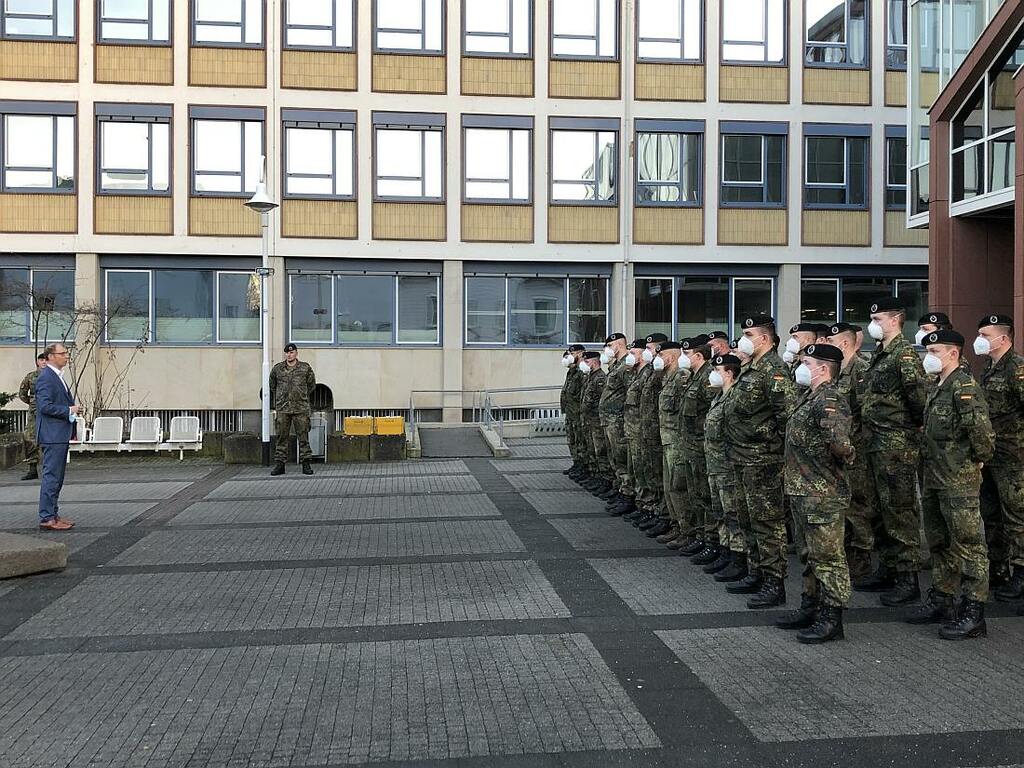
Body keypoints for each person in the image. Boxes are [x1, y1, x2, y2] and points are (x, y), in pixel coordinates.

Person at [907, 330, 994, 640]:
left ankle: (974, 611)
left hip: (958, 481)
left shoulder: (964, 387)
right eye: (928, 350)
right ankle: (943, 598)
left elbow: (982, 435)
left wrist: (978, 461)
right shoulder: (937, 386)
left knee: (969, 546)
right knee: (940, 542)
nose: (929, 356)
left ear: (953, 353)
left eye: (935, 351)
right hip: (934, 478)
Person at [776, 344, 855, 644]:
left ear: (822, 368)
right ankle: (811, 604)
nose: (800, 366)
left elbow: (840, 445)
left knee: (828, 557)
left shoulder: (830, 397)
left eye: (805, 362)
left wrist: (837, 465)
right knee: (809, 555)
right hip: (802, 490)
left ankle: (832, 616)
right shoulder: (809, 397)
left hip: (822, 493)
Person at [724, 314, 798, 609]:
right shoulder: (750, 369)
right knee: (748, 520)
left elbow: (788, 418)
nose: (744, 338)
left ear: (765, 338)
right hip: (742, 458)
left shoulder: (774, 371)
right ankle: (756, 571)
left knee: (768, 524)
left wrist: (776, 453)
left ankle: (774, 582)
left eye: (749, 333)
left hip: (764, 462)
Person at [860, 298, 928, 606]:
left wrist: (905, 432)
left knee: (900, 512)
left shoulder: (904, 356)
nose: (873, 322)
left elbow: (919, 401)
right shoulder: (879, 354)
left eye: (879, 317)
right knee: (880, 510)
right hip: (875, 444)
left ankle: (907, 578)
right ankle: (887, 569)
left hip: (896, 446)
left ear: (895, 320)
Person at [975, 314, 1024, 606]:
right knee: (991, 515)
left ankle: (1021, 572)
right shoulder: (990, 367)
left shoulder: (1016, 369)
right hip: (992, 456)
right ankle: (998, 568)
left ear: (1003, 338)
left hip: (1014, 457)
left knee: (1017, 517)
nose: (980, 338)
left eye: (985, 334)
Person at [826, 322, 875, 587]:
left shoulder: (860, 371)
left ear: (844, 344)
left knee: (858, 507)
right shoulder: (836, 372)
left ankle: (861, 561)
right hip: (838, 453)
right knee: (845, 507)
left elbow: (865, 414)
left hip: (856, 451)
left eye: (831, 342)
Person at [681, 336, 723, 568]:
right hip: (693, 446)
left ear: (698, 356)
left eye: (687, 355)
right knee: (696, 494)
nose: (683, 358)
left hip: (702, 447)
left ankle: (711, 542)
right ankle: (701, 537)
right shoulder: (695, 377)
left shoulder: (708, 377)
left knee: (707, 498)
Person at [705, 354, 748, 581]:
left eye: (718, 370)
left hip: (728, 466)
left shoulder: (734, 398)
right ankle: (724, 551)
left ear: (730, 373)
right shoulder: (720, 396)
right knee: (720, 512)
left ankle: (738, 557)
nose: (713, 374)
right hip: (715, 465)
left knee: (733, 514)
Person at [35, 343, 80, 531]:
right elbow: (44, 406)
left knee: (57, 477)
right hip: (52, 434)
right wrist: (68, 410)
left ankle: (53, 513)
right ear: (51, 356)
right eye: (62, 353)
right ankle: (47, 517)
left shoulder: (56, 376)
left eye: (67, 353)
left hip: (59, 433)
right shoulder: (46, 377)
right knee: (52, 477)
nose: (66, 356)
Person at [653, 340, 689, 541]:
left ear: (673, 357)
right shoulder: (667, 378)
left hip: (677, 441)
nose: (657, 360)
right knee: (669, 487)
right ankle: (676, 525)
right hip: (667, 440)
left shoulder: (681, 378)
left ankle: (686, 530)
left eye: (661, 356)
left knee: (678, 488)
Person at [599, 333, 635, 514]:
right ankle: (620, 490)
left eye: (610, 345)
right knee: (615, 459)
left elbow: (629, 393)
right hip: (609, 421)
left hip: (618, 421)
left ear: (619, 345)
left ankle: (627, 495)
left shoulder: (626, 366)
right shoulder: (615, 366)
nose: (607, 349)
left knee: (622, 460)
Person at [636, 333, 669, 532]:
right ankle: (653, 511)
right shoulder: (649, 370)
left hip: (660, 435)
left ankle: (663, 517)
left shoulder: (663, 372)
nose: (648, 352)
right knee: (649, 473)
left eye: (651, 349)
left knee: (661, 478)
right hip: (647, 430)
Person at [269, 343, 317, 476]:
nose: (289, 355)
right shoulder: (277, 369)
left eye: (291, 352)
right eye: (287, 353)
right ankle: (280, 464)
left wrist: (301, 395)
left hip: (300, 408)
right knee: (281, 437)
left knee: (303, 436)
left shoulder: (305, 368)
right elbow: (272, 385)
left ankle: (306, 464)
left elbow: (311, 385)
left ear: (296, 353)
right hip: (283, 408)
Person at [622, 339, 651, 524]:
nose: (630, 355)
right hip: (634, 429)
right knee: (636, 470)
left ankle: (650, 509)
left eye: (634, 352)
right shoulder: (635, 373)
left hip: (646, 432)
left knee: (647, 473)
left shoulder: (650, 374)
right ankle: (641, 505)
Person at [579, 350, 613, 496]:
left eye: (587, 362)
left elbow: (601, 400)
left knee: (600, 452)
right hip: (588, 421)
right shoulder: (589, 377)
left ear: (594, 361)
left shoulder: (600, 378)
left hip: (597, 422)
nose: (584, 364)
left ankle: (604, 479)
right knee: (592, 450)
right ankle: (595, 476)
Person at [18, 353, 47, 481]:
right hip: (34, 411)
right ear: (37, 362)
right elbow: (22, 393)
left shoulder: (53, 376)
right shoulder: (31, 376)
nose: (44, 362)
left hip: (49, 411)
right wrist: (31, 402)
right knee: (29, 437)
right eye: (41, 360)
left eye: (46, 359)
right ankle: (32, 468)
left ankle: (49, 467)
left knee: (48, 439)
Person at [561, 345, 587, 479]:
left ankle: (583, 467)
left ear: (581, 353)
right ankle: (576, 464)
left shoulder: (582, 371)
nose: (570, 354)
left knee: (580, 441)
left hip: (578, 413)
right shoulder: (572, 371)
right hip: (571, 413)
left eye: (573, 352)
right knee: (572, 440)